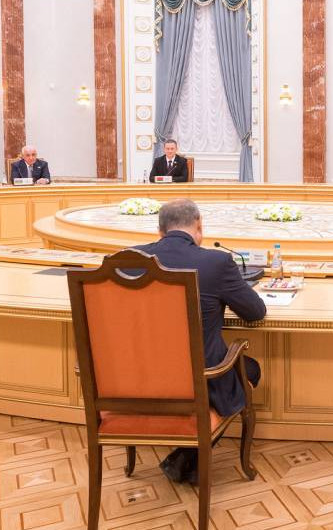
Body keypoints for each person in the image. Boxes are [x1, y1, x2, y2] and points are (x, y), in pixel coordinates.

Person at [132, 199, 265, 484]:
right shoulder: (216, 262)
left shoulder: (128, 259)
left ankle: (186, 455)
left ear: (160, 231)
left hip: (137, 380)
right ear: (199, 226)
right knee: (250, 368)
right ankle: (191, 454)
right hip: (199, 381)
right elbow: (255, 312)